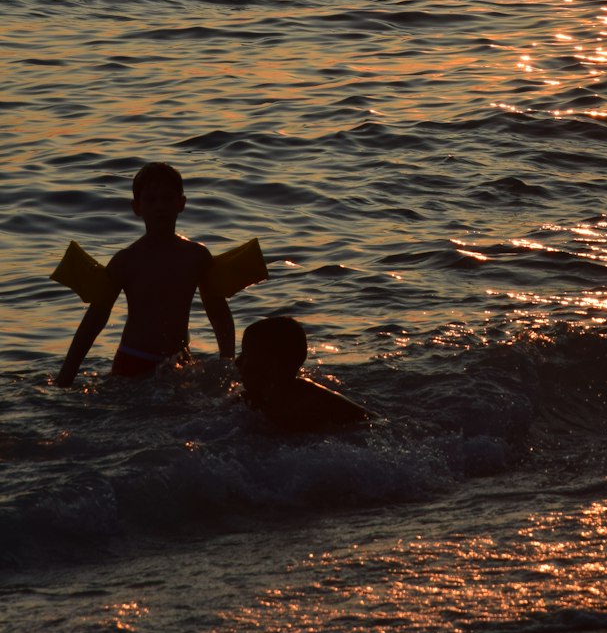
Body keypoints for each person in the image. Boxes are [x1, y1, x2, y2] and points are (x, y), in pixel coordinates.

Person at [55, 163, 235, 385]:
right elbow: (95, 319)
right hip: (132, 361)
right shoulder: (126, 260)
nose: (160, 206)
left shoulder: (196, 256)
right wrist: (67, 375)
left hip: (179, 362)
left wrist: (228, 362)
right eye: (151, 200)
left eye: (168, 199)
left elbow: (218, 312)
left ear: (181, 203)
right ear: (137, 207)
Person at [238, 315, 372, 432]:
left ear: (272, 366)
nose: (237, 362)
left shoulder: (315, 403)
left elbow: (371, 423)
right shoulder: (249, 400)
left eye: (245, 355)